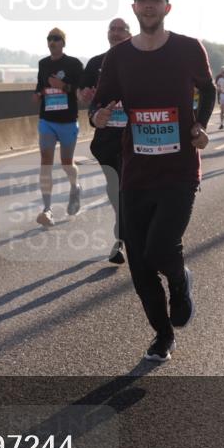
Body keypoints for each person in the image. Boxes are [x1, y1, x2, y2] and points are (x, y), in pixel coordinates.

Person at [93, 0, 215, 363]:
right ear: (134, 9)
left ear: (167, 9)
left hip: (179, 170)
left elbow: (208, 90)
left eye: (155, 2)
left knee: (162, 247)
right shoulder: (118, 57)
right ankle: (162, 335)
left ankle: (180, 282)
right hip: (137, 172)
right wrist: (97, 115)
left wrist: (200, 125)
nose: (148, 7)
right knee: (140, 261)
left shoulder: (187, 48)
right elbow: (100, 103)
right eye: (142, 1)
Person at [80, 17, 132, 264]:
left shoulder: (143, 58)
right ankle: (123, 234)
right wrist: (91, 111)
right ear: (107, 34)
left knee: (129, 190)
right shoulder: (96, 63)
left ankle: (122, 239)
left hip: (136, 137)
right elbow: (88, 98)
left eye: (122, 29)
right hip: (108, 139)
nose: (117, 33)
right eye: (113, 29)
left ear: (130, 34)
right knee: (115, 189)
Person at [34, 27, 85, 227]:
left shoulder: (73, 64)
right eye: (49, 39)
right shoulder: (42, 64)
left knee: (66, 163)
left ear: (63, 43)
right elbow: (40, 86)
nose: (52, 42)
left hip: (68, 121)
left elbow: (80, 91)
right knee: (45, 163)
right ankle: (47, 210)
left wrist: (63, 86)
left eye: (56, 39)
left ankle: (75, 187)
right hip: (47, 119)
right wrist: (37, 94)